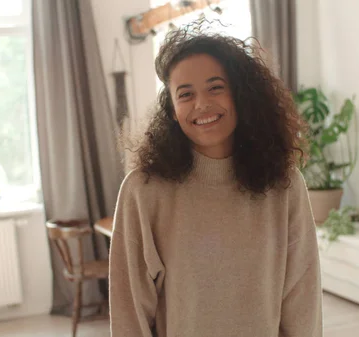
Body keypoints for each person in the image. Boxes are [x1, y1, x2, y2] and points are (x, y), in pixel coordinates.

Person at [109, 22, 322, 337]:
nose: (201, 104)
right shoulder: (143, 191)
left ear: (240, 94)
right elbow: (130, 312)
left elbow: (302, 302)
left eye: (215, 87)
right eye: (185, 94)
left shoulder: (284, 184)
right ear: (171, 109)